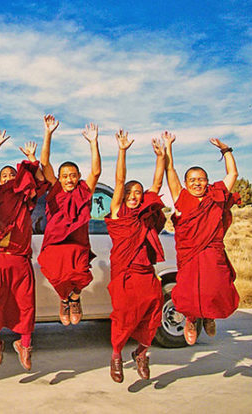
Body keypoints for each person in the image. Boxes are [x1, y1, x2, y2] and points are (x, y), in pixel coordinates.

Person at [163, 132, 240, 345]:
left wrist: (226, 151)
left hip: (212, 251)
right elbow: (170, 170)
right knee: (188, 290)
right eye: (192, 180)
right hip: (189, 253)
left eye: (201, 179)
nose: (197, 183)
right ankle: (190, 319)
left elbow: (232, 174)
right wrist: (169, 147)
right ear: (186, 183)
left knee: (215, 287)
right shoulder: (182, 197)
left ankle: (209, 316)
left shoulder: (215, 197)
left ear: (207, 182)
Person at [104, 130, 167, 383]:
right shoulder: (118, 215)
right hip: (125, 276)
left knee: (153, 315)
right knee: (123, 317)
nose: (133, 195)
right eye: (130, 191)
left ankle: (141, 352)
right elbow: (119, 182)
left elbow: (158, 185)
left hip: (146, 275)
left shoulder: (145, 216)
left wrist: (161, 157)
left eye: (137, 193)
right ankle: (117, 355)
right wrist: (122, 150)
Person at [0, 138, 43, 371]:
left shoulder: (24, 196)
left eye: (11, 175)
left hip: (20, 259)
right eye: (4, 176)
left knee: (26, 304)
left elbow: (37, 180)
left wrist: (31, 160)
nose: (8, 178)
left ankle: (25, 344)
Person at [38, 115, 101, 325]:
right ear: (59, 177)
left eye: (73, 175)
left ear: (78, 176)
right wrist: (48, 133)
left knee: (81, 274)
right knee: (52, 271)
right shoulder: (55, 191)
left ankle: (74, 298)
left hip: (77, 242)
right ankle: (65, 299)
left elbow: (97, 171)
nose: (69, 180)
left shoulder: (83, 190)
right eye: (64, 176)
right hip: (56, 243)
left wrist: (93, 143)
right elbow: (44, 163)